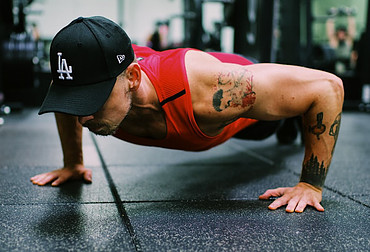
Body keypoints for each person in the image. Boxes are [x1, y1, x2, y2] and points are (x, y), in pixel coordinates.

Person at [31, 16, 344, 213]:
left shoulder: (210, 93)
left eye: (92, 101)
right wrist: (73, 162)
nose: (82, 117)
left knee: (275, 120)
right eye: (76, 101)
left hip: (244, 104)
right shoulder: (92, 81)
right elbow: (66, 96)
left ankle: (289, 121)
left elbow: (327, 88)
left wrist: (311, 186)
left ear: (133, 78)